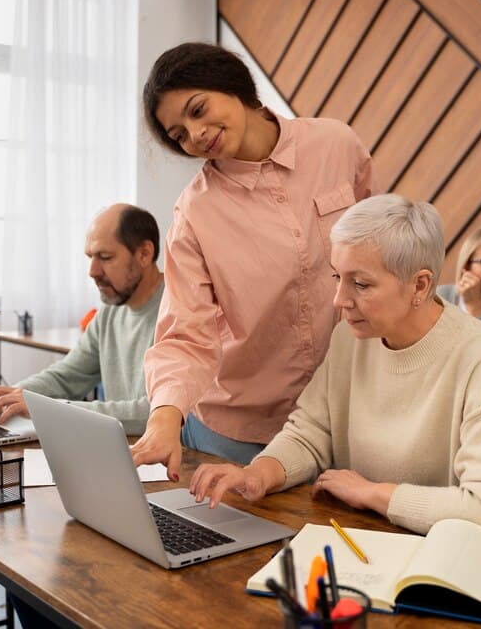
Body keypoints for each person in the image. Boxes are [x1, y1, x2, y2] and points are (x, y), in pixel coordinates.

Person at [189, 195, 481, 540]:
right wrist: (259, 473)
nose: (340, 299)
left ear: (420, 285)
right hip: (365, 543)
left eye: (361, 284)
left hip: (448, 565)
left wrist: (375, 494)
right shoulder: (350, 338)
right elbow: (310, 432)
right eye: (337, 277)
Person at [131, 43, 372, 477]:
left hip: (348, 413)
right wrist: (165, 416)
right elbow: (185, 334)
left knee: (336, 545)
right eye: (179, 135)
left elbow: (378, 244)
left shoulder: (336, 144)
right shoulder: (195, 214)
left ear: (231, 82)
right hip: (242, 433)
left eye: (198, 110)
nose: (196, 134)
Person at [0, 204, 165, 435]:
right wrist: (9, 395)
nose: (92, 271)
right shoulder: (111, 308)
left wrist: (51, 409)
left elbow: (157, 413)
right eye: (90, 257)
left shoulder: (179, 312)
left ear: (144, 253)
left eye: (105, 257)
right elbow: (68, 375)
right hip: (121, 451)